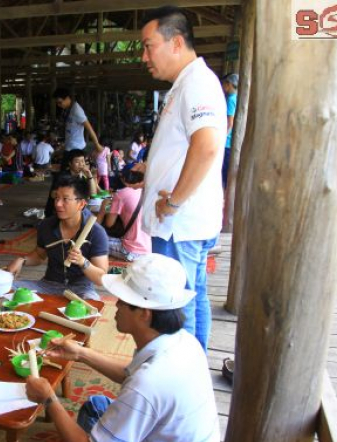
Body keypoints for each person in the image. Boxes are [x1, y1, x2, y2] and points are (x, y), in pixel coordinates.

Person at [25, 254, 220, 442]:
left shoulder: (149, 383)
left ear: (144, 314)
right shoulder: (184, 342)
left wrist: (48, 398)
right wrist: (81, 354)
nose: (115, 305)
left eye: (123, 301)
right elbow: (130, 373)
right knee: (96, 406)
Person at [137, 6, 226, 351]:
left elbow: (206, 146)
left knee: (175, 301)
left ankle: (179, 375)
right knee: (194, 292)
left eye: (149, 46)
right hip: (186, 220)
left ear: (176, 43)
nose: (145, 56)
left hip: (178, 222)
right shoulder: (186, 84)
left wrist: (173, 201)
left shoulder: (197, 84)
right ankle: (195, 366)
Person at [7, 175, 108, 300]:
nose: (58, 204)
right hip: (48, 285)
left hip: (80, 289)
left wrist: (83, 262)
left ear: (81, 204)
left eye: (65, 199)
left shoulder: (96, 232)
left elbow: (101, 279)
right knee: (7, 289)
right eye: (57, 198)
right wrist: (22, 260)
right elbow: (39, 256)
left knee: (92, 304)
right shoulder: (46, 225)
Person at [97, 169, 151, 261]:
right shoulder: (145, 191)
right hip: (147, 248)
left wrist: (103, 210)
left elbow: (109, 223)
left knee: (96, 240)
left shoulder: (120, 195)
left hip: (131, 251)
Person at [44, 149, 99, 218]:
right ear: (70, 163)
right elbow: (53, 194)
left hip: (73, 210)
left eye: (82, 161)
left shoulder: (83, 176)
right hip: (56, 212)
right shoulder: (63, 176)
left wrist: (90, 176)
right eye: (77, 162)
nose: (81, 164)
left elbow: (93, 195)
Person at [53, 88, 103, 163]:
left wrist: (97, 144)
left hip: (76, 149)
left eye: (60, 102)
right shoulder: (67, 109)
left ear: (67, 98)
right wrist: (63, 146)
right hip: (70, 148)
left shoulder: (76, 110)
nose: (59, 105)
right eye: (57, 103)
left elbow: (89, 128)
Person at [222, 73, 239, 188]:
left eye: (224, 84)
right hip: (232, 141)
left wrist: (222, 138)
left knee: (225, 172)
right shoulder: (237, 97)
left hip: (227, 142)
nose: (223, 87)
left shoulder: (231, 99)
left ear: (229, 84)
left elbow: (230, 122)